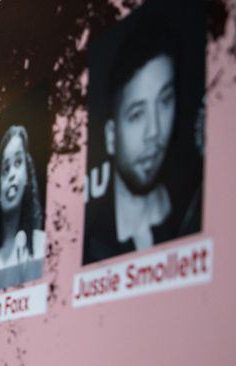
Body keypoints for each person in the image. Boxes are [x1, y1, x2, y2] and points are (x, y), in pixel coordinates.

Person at [83, 16, 202, 264]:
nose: (154, 131)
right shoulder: (91, 241)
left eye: (164, 102)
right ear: (111, 136)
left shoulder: (194, 207)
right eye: (137, 114)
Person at [0, 125, 45, 295]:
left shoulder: (42, 245)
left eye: (18, 163)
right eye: (6, 169)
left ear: (27, 178)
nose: (12, 174)